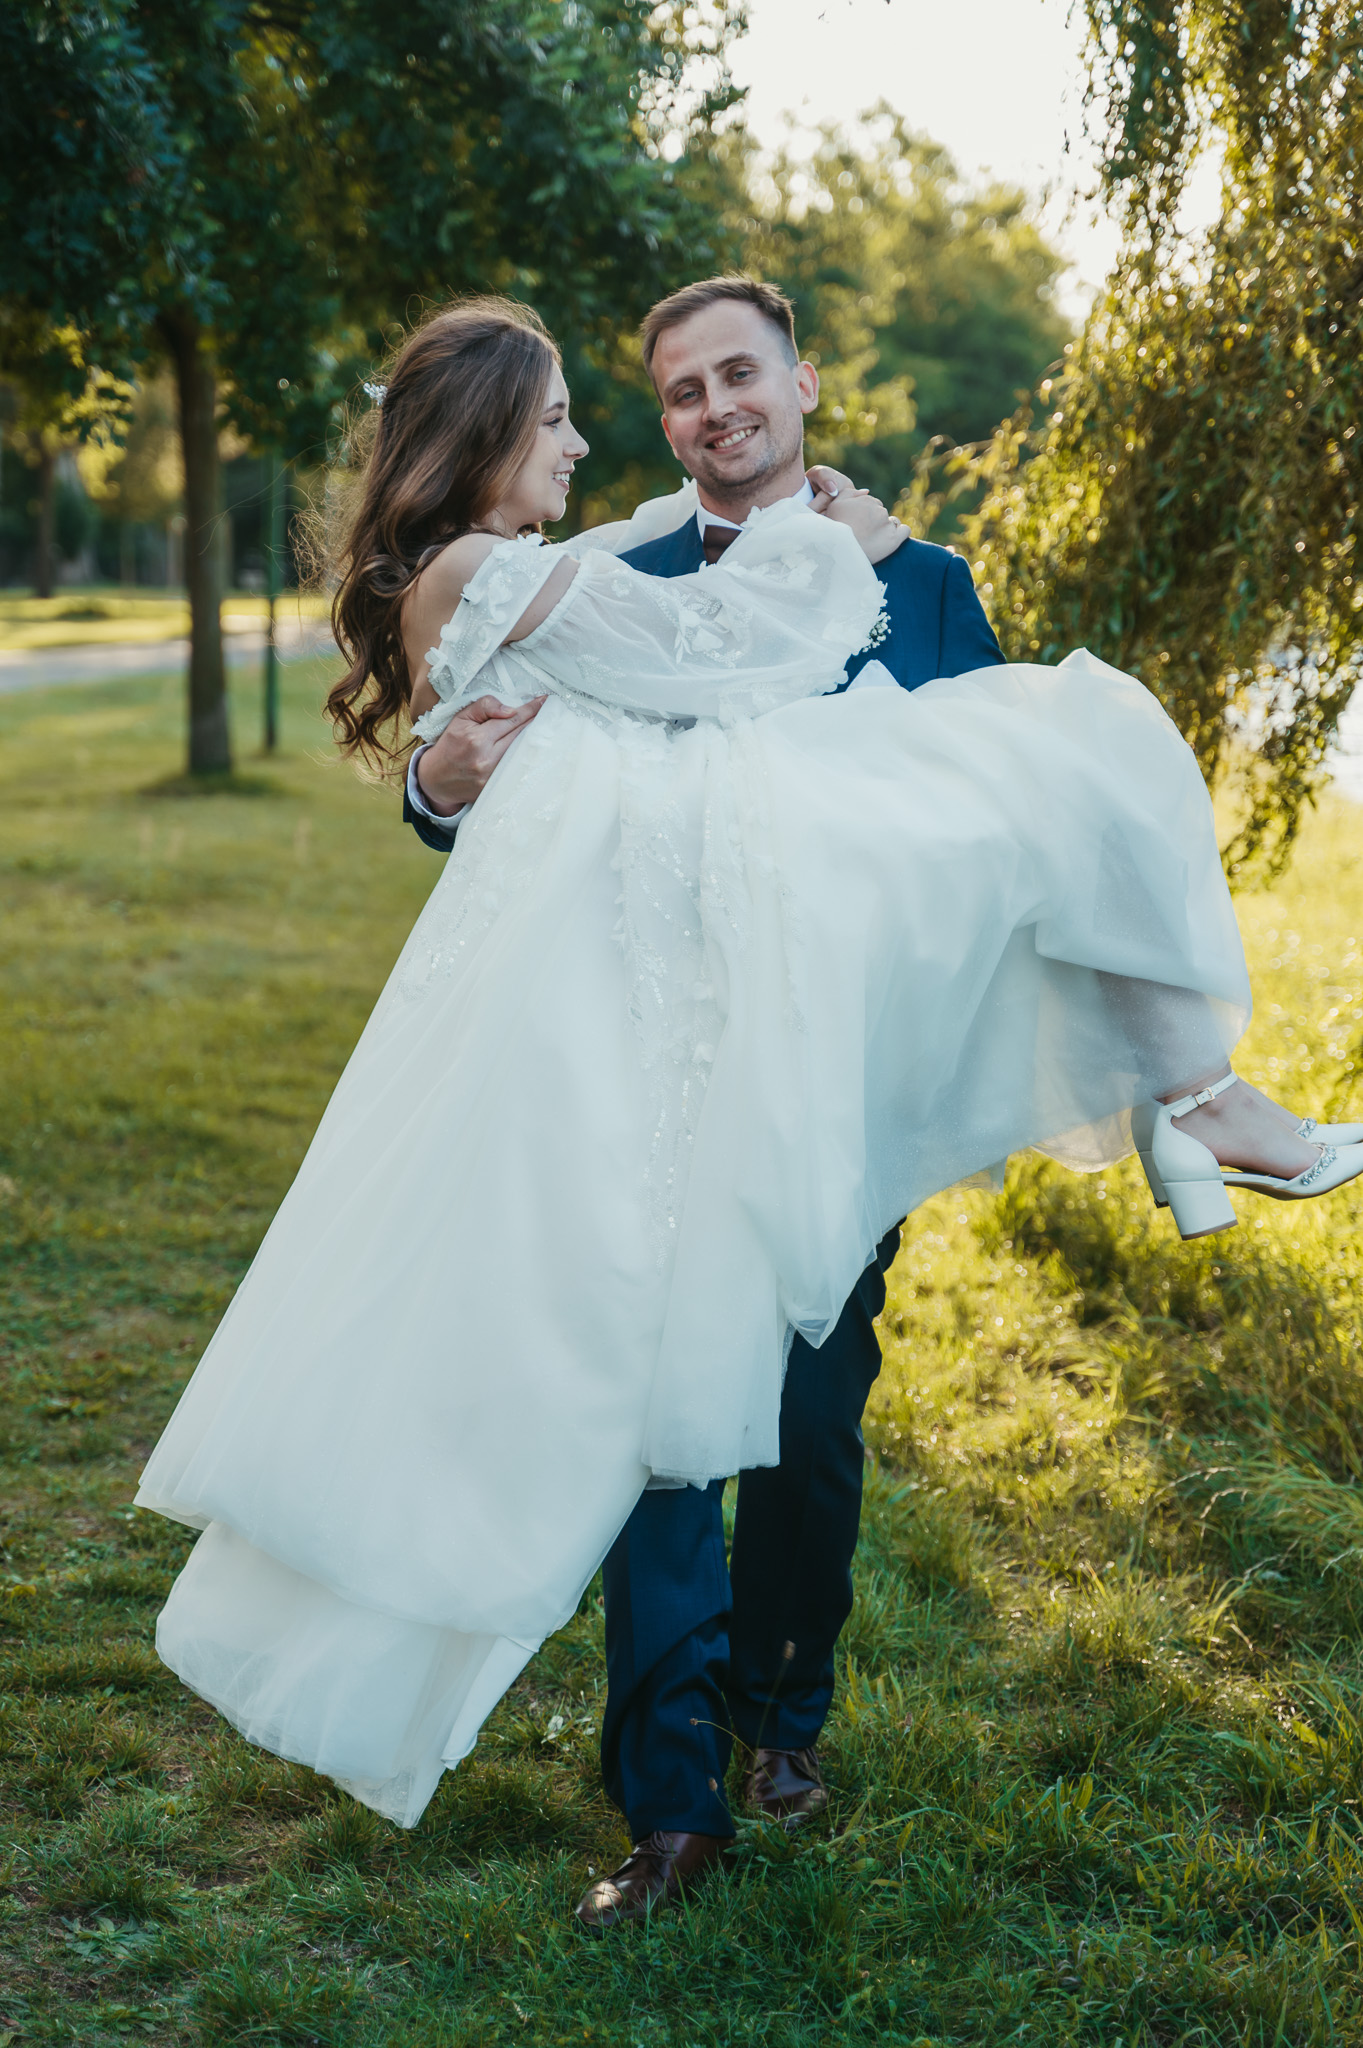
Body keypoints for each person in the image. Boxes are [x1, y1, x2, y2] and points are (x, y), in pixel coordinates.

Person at [136, 295, 1363, 1939]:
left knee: (810, 1413)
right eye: (671, 392)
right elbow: (502, 772)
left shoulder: (925, 579)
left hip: (835, 1078)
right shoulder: (628, 563)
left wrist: (874, 558)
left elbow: (999, 845)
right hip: (639, 1051)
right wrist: (438, 780)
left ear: (800, 383)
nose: (707, 409)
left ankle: (782, 1720)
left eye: (737, 376)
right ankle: (671, 1806)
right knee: (660, 1426)